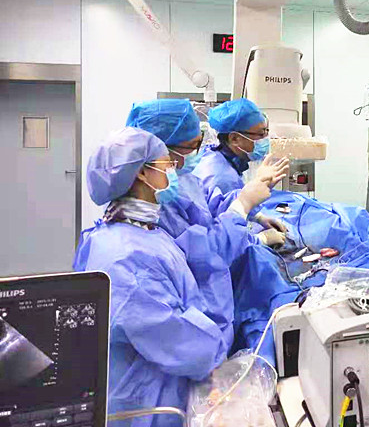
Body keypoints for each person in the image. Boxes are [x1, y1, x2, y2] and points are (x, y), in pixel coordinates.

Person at [73, 127, 275, 427]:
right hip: (148, 407)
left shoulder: (136, 232)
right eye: (167, 163)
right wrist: (220, 355)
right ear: (143, 173)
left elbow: (189, 271)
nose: (174, 170)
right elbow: (184, 343)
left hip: (161, 382)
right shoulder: (128, 259)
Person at [126, 99, 290, 256]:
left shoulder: (183, 177)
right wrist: (256, 237)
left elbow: (211, 203)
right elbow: (202, 254)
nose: (197, 152)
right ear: (158, 152)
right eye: (191, 146)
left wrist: (255, 212)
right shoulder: (159, 200)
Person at [194, 98, 272, 203]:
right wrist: (259, 185)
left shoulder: (216, 156)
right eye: (261, 134)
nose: (265, 139)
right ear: (234, 138)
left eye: (266, 132)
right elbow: (235, 212)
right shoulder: (222, 179)